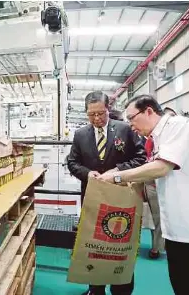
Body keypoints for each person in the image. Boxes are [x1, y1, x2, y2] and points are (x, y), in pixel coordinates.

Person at [99, 94, 189, 295]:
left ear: (148, 111)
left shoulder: (179, 126)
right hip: (178, 229)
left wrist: (117, 177)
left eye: (132, 118)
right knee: (184, 285)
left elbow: (162, 168)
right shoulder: (155, 139)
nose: (130, 125)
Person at [67, 91, 146, 295]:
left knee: (120, 242)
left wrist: (118, 171)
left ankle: (122, 288)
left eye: (101, 113)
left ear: (108, 109)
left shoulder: (125, 129)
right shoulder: (81, 134)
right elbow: (72, 163)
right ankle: (96, 289)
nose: (97, 119)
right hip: (93, 197)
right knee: (93, 244)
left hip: (122, 197)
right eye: (91, 115)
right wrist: (87, 173)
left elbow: (140, 158)